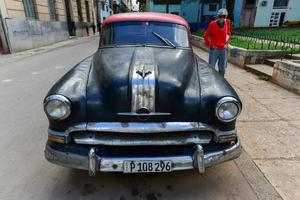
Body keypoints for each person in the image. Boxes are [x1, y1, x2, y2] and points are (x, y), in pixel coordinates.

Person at [204, 8, 231, 77]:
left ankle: (220, 82)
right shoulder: (212, 24)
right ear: (217, 16)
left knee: (222, 69)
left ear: (226, 17)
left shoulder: (227, 23)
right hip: (214, 49)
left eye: (224, 16)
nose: (222, 18)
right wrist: (210, 44)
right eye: (220, 16)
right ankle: (210, 81)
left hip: (223, 49)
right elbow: (206, 36)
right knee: (211, 67)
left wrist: (226, 43)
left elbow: (228, 33)